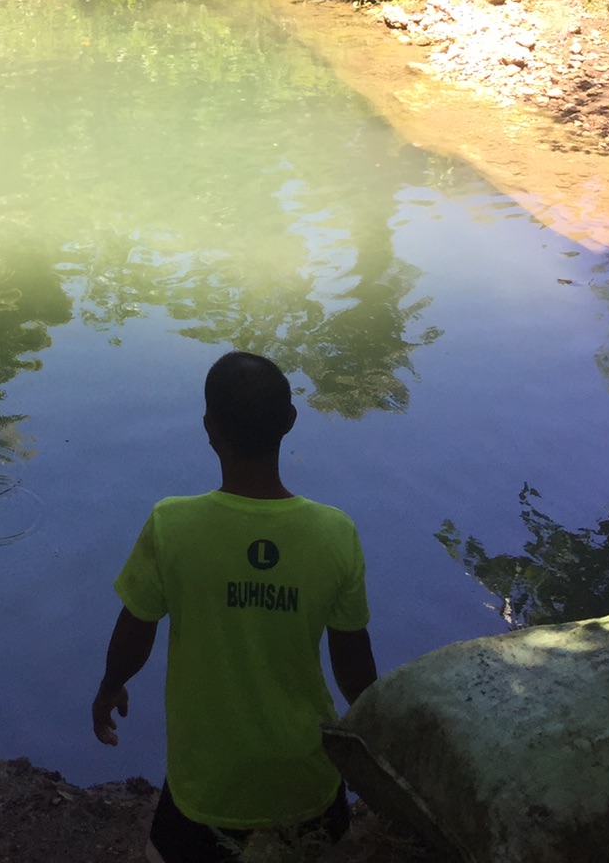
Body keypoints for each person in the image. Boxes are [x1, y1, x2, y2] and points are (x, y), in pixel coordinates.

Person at [92, 351, 377, 863]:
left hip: (207, 789)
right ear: (289, 422)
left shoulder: (171, 526)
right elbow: (355, 672)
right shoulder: (336, 535)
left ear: (209, 429)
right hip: (306, 783)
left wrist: (111, 685)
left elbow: (136, 628)